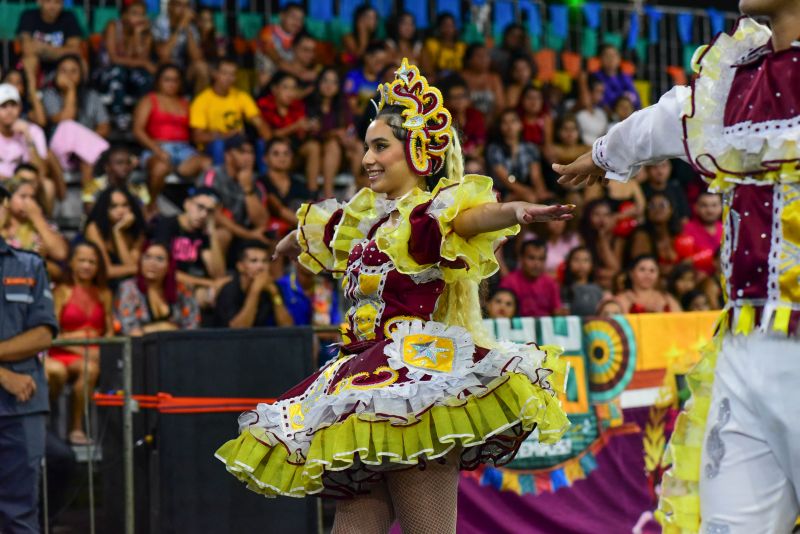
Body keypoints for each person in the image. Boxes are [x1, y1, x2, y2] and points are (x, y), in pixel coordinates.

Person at [216, 59, 573, 533]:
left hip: (414, 382)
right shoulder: (369, 221)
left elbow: (470, 220)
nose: (367, 158)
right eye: (366, 147)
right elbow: (326, 229)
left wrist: (514, 211)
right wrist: (290, 240)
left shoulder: (426, 218)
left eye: (380, 146)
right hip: (361, 380)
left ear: (417, 153)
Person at [0, 181, 58, 534]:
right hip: (15, 385)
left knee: (20, 513)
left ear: (6, 207)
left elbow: (43, 333)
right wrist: (3, 375)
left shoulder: (29, 265)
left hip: (22, 407)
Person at [48, 242, 113, 445]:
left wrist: (103, 347)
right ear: (72, 263)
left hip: (93, 354)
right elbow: (52, 332)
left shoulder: (104, 293)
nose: (87, 266)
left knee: (91, 369)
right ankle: (65, 428)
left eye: (92, 262)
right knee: (89, 365)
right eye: (82, 260)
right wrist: (81, 347)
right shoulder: (62, 291)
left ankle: (76, 428)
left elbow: (109, 330)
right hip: (63, 352)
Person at [133, 63, 212, 200]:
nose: (171, 84)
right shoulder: (149, 100)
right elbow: (138, 130)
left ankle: (201, 203)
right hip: (157, 147)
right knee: (160, 168)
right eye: (167, 79)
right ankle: (150, 205)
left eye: (175, 80)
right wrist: (157, 150)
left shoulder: (185, 103)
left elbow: (194, 132)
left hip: (184, 150)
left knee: (208, 165)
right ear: (158, 81)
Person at [151, 186, 227, 307]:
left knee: (217, 293)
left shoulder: (203, 234)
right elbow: (163, 269)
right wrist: (209, 283)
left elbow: (218, 274)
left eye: (209, 211)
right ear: (187, 204)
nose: (203, 214)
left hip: (193, 287)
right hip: (167, 283)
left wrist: (212, 232)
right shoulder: (167, 225)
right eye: (200, 207)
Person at [41, 55, 110, 186]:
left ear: (82, 74)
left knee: (85, 156)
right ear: (56, 74)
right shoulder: (49, 94)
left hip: (86, 156)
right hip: (59, 155)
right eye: (64, 71)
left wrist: (83, 145)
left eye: (74, 71)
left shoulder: (91, 95)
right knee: (68, 125)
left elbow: (104, 127)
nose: (68, 75)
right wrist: (71, 89)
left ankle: (87, 197)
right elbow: (66, 118)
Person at [189, 57, 272, 165]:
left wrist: (269, 140)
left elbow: (259, 122)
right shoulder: (201, 100)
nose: (229, 78)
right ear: (215, 74)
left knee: (261, 143)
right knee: (219, 144)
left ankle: (264, 179)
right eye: (224, 73)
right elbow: (198, 137)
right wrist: (225, 135)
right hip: (212, 146)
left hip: (239, 142)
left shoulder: (241, 96)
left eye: (232, 74)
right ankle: (220, 178)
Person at [197, 135, 269, 256]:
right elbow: (213, 215)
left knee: (271, 239)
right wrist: (247, 234)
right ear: (228, 155)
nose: (248, 157)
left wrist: (248, 189)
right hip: (209, 232)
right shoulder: (213, 175)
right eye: (242, 152)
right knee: (223, 234)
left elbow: (261, 222)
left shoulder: (256, 182)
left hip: (241, 236)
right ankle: (217, 275)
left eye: (251, 152)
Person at [257, 71, 322, 195]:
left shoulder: (298, 106)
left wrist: (309, 128)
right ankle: (268, 188)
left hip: (293, 152)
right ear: (274, 89)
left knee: (313, 146)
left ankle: (312, 193)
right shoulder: (264, 105)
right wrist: (294, 127)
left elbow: (300, 137)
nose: (290, 92)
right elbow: (268, 136)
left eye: (293, 88)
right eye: (285, 87)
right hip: (271, 153)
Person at [115, 241, 200, 335]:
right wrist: (164, 327)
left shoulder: (182, 290)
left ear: (169, 266)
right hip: (140, 348)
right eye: (147, 257)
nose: (152, 263)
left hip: (177, 347)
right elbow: (129, 329)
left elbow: (192, 327)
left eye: (159, 259)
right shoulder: (129, 288)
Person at [94, 0, 155, 130]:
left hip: (130, 73)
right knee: (118, 71)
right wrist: (143, 63)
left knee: (146, 78)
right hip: (106, 73)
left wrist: (138, 35)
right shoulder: (113, 26)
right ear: (124, 15)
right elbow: (114, 59)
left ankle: (141, 116)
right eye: (135, 13)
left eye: (142, 14)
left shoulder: (146, 33)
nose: (139, 18)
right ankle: (118, 114)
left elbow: (141, 58)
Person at [305, 68, 362, 191]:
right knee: (332, 145)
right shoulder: (309, 102)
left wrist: (349, 139)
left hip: (339, 156)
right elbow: (310, 134)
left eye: (334, 82)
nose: (329, 85)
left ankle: (357, 188)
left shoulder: (342, 104)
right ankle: (327, 193)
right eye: (325, 80)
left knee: (358, 146)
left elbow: (350, 128)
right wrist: (334, 133)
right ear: (319, 82)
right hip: (316, 154)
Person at [214, 240, 293, 328]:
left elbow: (287, 326)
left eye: (264, 261)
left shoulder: (273, 287)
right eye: (254, 261)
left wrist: (275, 294)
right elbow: (238, 330)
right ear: (240, 266)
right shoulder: (229, 290)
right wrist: (255, 291)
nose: (261, 266)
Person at [0, 174, 67, 270]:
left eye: (32, 197)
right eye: (23, 196)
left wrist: (37, 218)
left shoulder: (44, 225)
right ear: (7, 199)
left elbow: (60, 253)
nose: (29, 202)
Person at [84, 186, 146, 288]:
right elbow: (106, 271)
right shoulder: (94, 228)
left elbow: (131, 268)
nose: (120, 210)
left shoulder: (137, 229)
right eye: (114, 206)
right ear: (105, 209)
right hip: (99, 284)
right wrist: (140, 269)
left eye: (125, 205)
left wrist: (118, 232)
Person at [486, 108, 551, 203]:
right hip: (502, 192)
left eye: (513, 121)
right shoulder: (494, 149)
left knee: (547, 201)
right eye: (505, 122)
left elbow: (536, 176)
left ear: (520, 125)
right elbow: (506, 180)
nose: (509, 126)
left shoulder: (530, 147)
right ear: (500, 127)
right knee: (530, 198)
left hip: (525, 186)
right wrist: (527, 192)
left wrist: (541, 192)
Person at [16, 0, 82, 80]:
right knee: (30, 59)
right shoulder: (28, 16)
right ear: (39, 2)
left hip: (60, 64)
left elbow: (75, 50)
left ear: (63, 3)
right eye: (48, 1)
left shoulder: (69, 17)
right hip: (37, 65)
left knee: (72, 64)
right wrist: (60, 51)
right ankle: (32, 92)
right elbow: (27, 49)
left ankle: (72, 91)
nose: (52, 7)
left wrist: (43, 49)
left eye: (57, 2)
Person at [259, 137, 313, 234]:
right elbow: (278, 209)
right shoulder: (261, 182)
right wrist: (307, 226)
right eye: (276, 153)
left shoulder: (299, 183)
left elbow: (310, 207)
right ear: (265, 159)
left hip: (298, 233)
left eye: (286, 153)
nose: (282, 158)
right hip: (271, 234)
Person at [152, 0, 208, 93]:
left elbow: (197, 57)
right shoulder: (159, 23)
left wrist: (188, 29)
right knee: (166, 61)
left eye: (186, 6)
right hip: (161, 67)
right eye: (179, 5)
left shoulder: (190, 26)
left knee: (201, 67)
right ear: (170, 6)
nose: (183, 10)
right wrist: (180, 26)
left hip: (182, 69)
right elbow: (163, 53)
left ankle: (198, 105)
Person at [499, 238, 564, 317]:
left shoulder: (550, 283)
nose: (537, 264)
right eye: (531, 258)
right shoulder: (509, 282)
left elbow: (556, 312)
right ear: (521, 259)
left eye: (541, 259)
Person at [624, 192, 683, 275]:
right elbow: (641, 268)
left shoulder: (678, 234)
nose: (657, 209)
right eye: (652, 206)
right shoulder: (641, 236)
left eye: (662, 205)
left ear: (671, 210)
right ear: (647, 211)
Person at [82, 145, 150, 213]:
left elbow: (144, 216)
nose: (125, 167)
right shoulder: (92, 186)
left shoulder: (139, 188)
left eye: (128, 163)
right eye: (119, 163)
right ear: (107, 167)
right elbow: (91, 214)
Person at [255, 2, 305, 89]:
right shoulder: (267, 31)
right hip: (269, 83)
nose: (297, 22)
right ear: (281, 16)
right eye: (293, 17)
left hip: (293, 82)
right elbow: (276, 58)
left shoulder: (302, 38)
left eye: (300, 19)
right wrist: (301, 74)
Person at [440, 75, 486, 167]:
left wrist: (474, 154)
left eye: (462, 96)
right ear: (447, 100)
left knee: (476, 165)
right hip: (450, 159)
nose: (459, 101)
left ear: (468, 98)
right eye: (455, 97)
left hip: (472, 157)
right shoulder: (443, 117)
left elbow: (481, 143)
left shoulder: (475, 115)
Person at [676, 191, 723, 276]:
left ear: (721, 207)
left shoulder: (727, 229)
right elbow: (683, 264)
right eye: (704, 205)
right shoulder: (685, 229)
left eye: (714, 205)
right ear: (696, 207)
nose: (710, 210)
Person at [614, 255, 681, 314]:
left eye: (652, 270)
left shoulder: (668, 299)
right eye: (642, 269)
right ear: (631, 273)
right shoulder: (620, 300)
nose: (647, 274)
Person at [460, 43, 505, 118]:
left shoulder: (494, 78)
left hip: (491, 121)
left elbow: (500, 105)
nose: (484, 59)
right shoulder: (462, 78)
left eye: (487, 55)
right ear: (469, 60)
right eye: (479, 56)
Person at [343, 42, 388, 118]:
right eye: (377, 61)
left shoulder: (382, 80)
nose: (380, 66)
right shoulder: (353, 77)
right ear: (367, 57)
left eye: (383, 63)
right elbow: (351, 107)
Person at [592, 43, 640, 111]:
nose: (611, 59)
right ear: (600, 59)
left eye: (614, 55)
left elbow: (636, 100)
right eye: (607, 56)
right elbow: (601, 102)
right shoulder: (595, 77)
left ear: (619, 59)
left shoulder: (626, 77)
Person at [561, 246, 605, 317]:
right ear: (568, 263)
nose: (581, 264)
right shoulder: (565, 289)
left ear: (592, 265)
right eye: (576, 260)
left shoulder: (597, 289)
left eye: (585, 260)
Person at [576, 75, 610, 146]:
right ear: (588, 91)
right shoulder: (576, 110)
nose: (601, 96)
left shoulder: (601, 113)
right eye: (598, 91)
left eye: (602, 92)